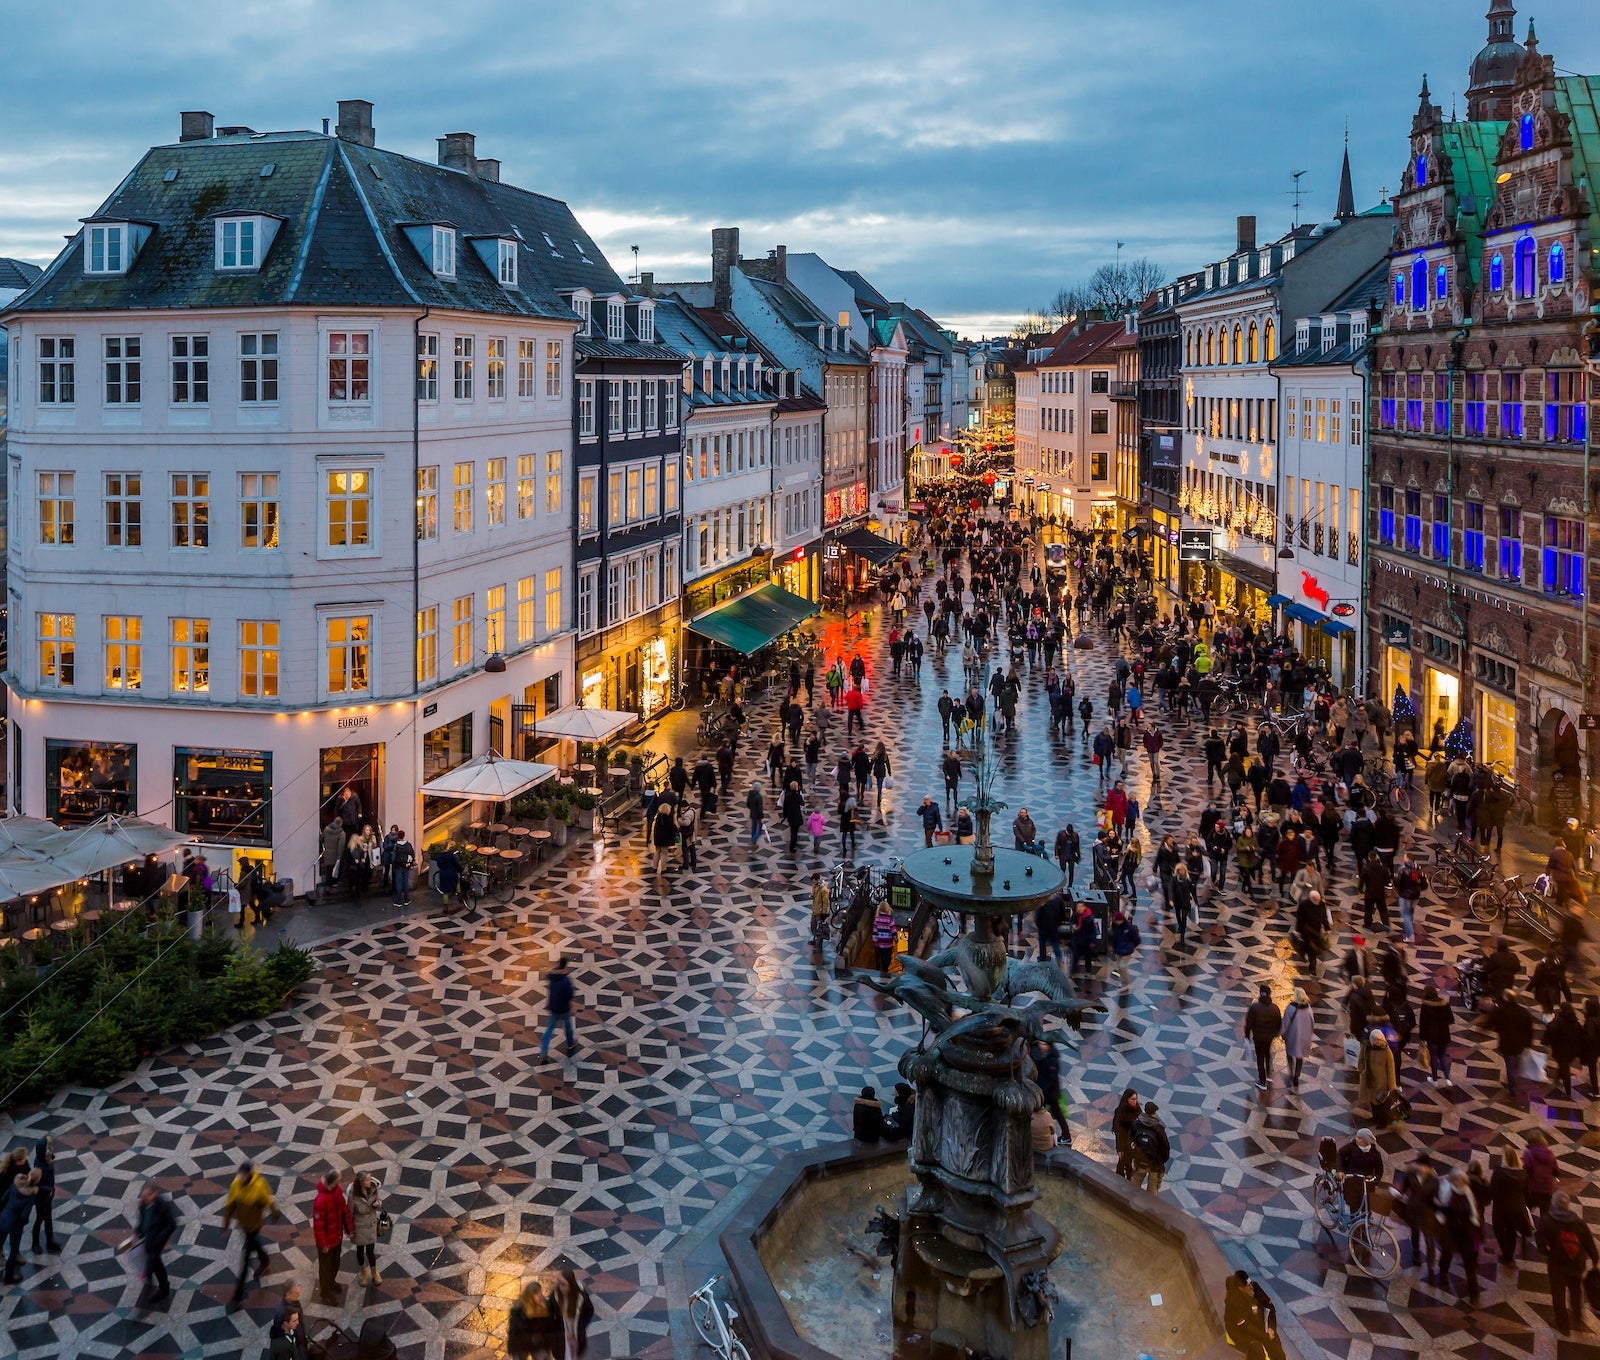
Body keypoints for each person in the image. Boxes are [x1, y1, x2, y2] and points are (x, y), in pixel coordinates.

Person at [1538, 1190, 1599, 1334]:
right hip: (1577, 1264)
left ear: (1554, 1204)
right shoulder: (1579, 1223)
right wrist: (1595, 1260)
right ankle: (1578, 1316)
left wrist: (1549, 1254)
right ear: (1568, 1206)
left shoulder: (1547, 1221)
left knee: (1558, 1294)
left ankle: (1563, 1325)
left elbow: (1541, 1244)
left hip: (1557, 1266)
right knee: (1576, 1289)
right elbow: (1589, 1243)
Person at [222, 1162, 280, 1308]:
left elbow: (268, 1200)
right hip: (244, 1224)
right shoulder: (235, 1184)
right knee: (255, 1245)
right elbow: (230, 1204)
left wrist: (274, 1213)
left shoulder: (259, 1184)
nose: (240, 1177)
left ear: (249, 1174)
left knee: (246, 1259)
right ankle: (264, 1259)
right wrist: (226, 1223)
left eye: (243, 1175)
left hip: (254, 1225)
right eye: (239, 1174)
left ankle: (237, 1297)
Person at [124, 1179, 177, 1305]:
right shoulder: (143, 1204)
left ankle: (164, 1288)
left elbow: (171, 1225)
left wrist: (160, 1239)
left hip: (156, 1242)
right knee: (148, 1258)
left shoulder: (162, 1206)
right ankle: (148, 1277)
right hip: (146, 1238)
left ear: (155, 1194)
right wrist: (139, 1230)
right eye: (143, 1195)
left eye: (147, 1195)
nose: (144, 1198)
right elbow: (142, 1219)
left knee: (156, 1264)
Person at [311, 1167, 351, 1304]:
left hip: (337, 1237)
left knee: (335, 1263)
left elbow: (343, 1209)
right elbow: (318, 1226)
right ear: (333, 1181)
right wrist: (323, 1244)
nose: (341, 1181)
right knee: (325, 1268)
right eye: (339, 1179)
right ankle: (325, 1292)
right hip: (327, 1243)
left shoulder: (337, 1190)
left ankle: (332, 1282)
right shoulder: (320, 1200)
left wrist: (349, 1228)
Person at [1488, 1146, 1531, 1268]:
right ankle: (1509, 1257)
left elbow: (1492, 1189)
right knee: (1511, 1231)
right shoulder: (1523, 1173)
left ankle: (1507, 1255)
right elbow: (1528, 1193)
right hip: (1516, 1208)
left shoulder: (1499, 1172)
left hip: (1501, 1208)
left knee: (1498, 1230)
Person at [0, 1168, 39, 1283]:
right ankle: (9, 1277)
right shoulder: (30, 1196)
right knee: (13, 1250)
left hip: (3, 1218)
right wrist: (22, 1223)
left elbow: (3, 1198)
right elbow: (24, 1216)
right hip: (15, 1226)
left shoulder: (13, 1186)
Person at [507, 1279, 561, 1360]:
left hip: (539, 1342)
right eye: (536, 1293)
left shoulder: (545, 1306)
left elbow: (549, 1324)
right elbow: (515, 1329)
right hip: (522, 1342)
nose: (540, 1296)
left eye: (540, 1292)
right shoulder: (518, 1310)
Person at [1243, 984, 1283, 1090]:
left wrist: (1247, 1036)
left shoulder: (1255, 1007)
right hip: (1269, 1037)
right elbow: (1279, 1024)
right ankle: (1268, 1074)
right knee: (1267, 1053)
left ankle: (1262, 1081)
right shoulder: (1275, 1008)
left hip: (1258, 1037)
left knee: (1260, 1057)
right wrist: (1276, 1033)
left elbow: (1249, 1024)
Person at [1031, 1039, 1069, 1145]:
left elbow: (1051, 1079)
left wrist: (1042, 1093)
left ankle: (1066, 1136)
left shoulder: (1052, 1060)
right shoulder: (1036, 1052)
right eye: (1040, 1043)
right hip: (1042, 1091)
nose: (1040, 1045)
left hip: (1050, 1093)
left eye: (1043, 1043)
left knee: (1057, 1113)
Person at [349, 1169, 383, 1286]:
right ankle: (363, 1272)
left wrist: (378, 1203)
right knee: (360, 1251)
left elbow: (379, 1199)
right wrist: (350, 1230)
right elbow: (349, 1213)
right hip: (359, 1227)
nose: (370, 1181)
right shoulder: (353, 1196)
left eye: (370, 1178)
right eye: (367, 1180)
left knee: (370, 1251)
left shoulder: (373, 1189)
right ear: (361, 1182)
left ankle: (374, 1272)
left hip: (371, 1225)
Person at [1128, 1101, 1171, 1193]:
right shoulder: (1159, 1129)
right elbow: (1165, 1148)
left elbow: (1130, 1139)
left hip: (1140, 1160)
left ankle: (1129, 1202)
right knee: (1152, 1190)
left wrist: (1134, 1154)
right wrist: (1160, 1161)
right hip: (1154, 1164)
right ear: (1154, 1113)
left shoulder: (1136, 1124)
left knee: (1134, 1185)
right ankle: (1150, 1207)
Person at [539, 957, 576, 1060]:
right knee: (567, 1026)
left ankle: (543, 1050)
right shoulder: (565, 980)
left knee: (549, 1029)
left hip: (553, 1007)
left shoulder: (552, 977)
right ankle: (570, 1043)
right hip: (563, 1008)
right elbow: (569, 995)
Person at [1418, 983, 1455, 1088]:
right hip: (1444, 1035)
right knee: (1442, 1056)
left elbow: (1423, 1023)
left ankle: (1434, 1080)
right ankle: (1448, 1079)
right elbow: (1451, 1019)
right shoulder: (1444, 1003)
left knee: (1433, 1057)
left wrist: (1422, 1038)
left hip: (1431, 1036)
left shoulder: (1425, 1005)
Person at [1355, 1027, 1397, 1116]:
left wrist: (1392, 1086)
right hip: (1370, 1079)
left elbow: (1391, 1070)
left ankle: (1382, 1121)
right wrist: (1362, 1070)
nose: (1377, 1042)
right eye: (1375, 1040)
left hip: (1382, 1083)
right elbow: (1361, 1059)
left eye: (1379, 1040)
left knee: (1381, 1103)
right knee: (1372, 1101)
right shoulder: (1366, 1048)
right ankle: (1375, 1117)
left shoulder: (1386, 1051)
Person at [1280, 987, 1314, 1090]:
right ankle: (1296, 1076)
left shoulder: (1291, 1007)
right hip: (1304, 1038)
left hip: (1292, 1036)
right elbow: (1312, 1023)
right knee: (1300, 1058)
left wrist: (1281, 1032)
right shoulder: (1308, 1008)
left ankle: (1291, 1072)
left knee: (1289, 1055)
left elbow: (1285, 1022)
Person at [29, 1136, 57, 1256]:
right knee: (40, 1219)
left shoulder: (45, 1159)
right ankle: (35, 1243)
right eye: (49, 1147)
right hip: (41, 1198)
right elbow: (37, 1185)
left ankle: (50, 1242)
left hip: (48, 1196)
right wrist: (49, 1189)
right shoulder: (40, 1166)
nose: (51, 1148)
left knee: (48, 1220)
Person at [1524, 1130, 1558, 1218]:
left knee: (1526, 1210)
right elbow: (1556, 1171)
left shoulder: (1528, 1153)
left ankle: (1526, 1228)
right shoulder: (1550, 1153)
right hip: (1547, 1189)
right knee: (1545, 1214)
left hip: (1533, 1188)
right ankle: (1544, 1230)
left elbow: (1526, 1170)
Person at [1112, 1087, 1142, 1179]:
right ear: (1127, 1099)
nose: (1135, 1101)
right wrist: (1119, 1148)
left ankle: (1127, 1177)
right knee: (1124, 1161)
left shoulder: (1137, 1109)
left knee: (1129, 1162)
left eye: (1136, 1099)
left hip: (1134, 1142)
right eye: (1132, 1099)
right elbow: (1118, 1130)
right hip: (1124, 1142)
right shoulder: (1120, 1111)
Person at [390, 829, 416, 907]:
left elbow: (393, 858)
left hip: (398, 867)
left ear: (398, 836)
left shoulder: (396, 846)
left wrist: (394, 866)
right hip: (406, 866)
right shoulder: (408, 845)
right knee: (405, 883)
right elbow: (413, 854)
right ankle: (406, 899)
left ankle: (398, 901)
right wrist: (409, 864)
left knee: (399, 883)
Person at [872, 902, 897, 973]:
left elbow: (875, 932)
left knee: (882, 956)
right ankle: (886, 968)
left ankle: (883, 968)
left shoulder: (876, 919)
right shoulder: (889, 920)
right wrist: (896, 939)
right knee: (888, 957)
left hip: (880, 943)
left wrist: (875, 942)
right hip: (888, 943)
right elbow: (893, 930)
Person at [810, 874, 831, 949]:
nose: (813, 883)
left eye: (814, 881)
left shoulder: (823, 889)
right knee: (813, 925)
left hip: (820, 912)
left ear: (817, 880)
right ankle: (815, 939)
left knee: (820, 928)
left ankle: (818, 943)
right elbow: (814, 896)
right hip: (815, 910)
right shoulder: (816, 887)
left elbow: (826, 902)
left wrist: (824, 913)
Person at [745, 783, 766, 848]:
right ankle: (753, 840)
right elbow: (760, 808)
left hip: (752, 813)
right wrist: (762, 817)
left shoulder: (750, 794)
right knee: (759, 830)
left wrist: (752, 808)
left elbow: (748, 804)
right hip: (758, 815)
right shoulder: (759, 797)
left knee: (753, 828)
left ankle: (754, 842)